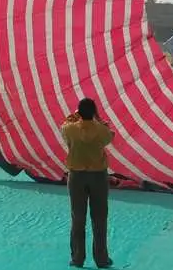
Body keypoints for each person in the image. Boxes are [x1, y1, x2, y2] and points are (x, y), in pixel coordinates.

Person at [61, 98, 114, 269]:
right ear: (94, 112)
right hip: (98, 176)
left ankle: (77, 258)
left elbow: (65, 126)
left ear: (79, 112)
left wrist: (74, 116)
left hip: (76, 177)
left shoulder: (69, 129)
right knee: (100, 218)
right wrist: (98, 120)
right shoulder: (102, 130)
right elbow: (110, 135)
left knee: (77, 218)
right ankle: (101, 259)